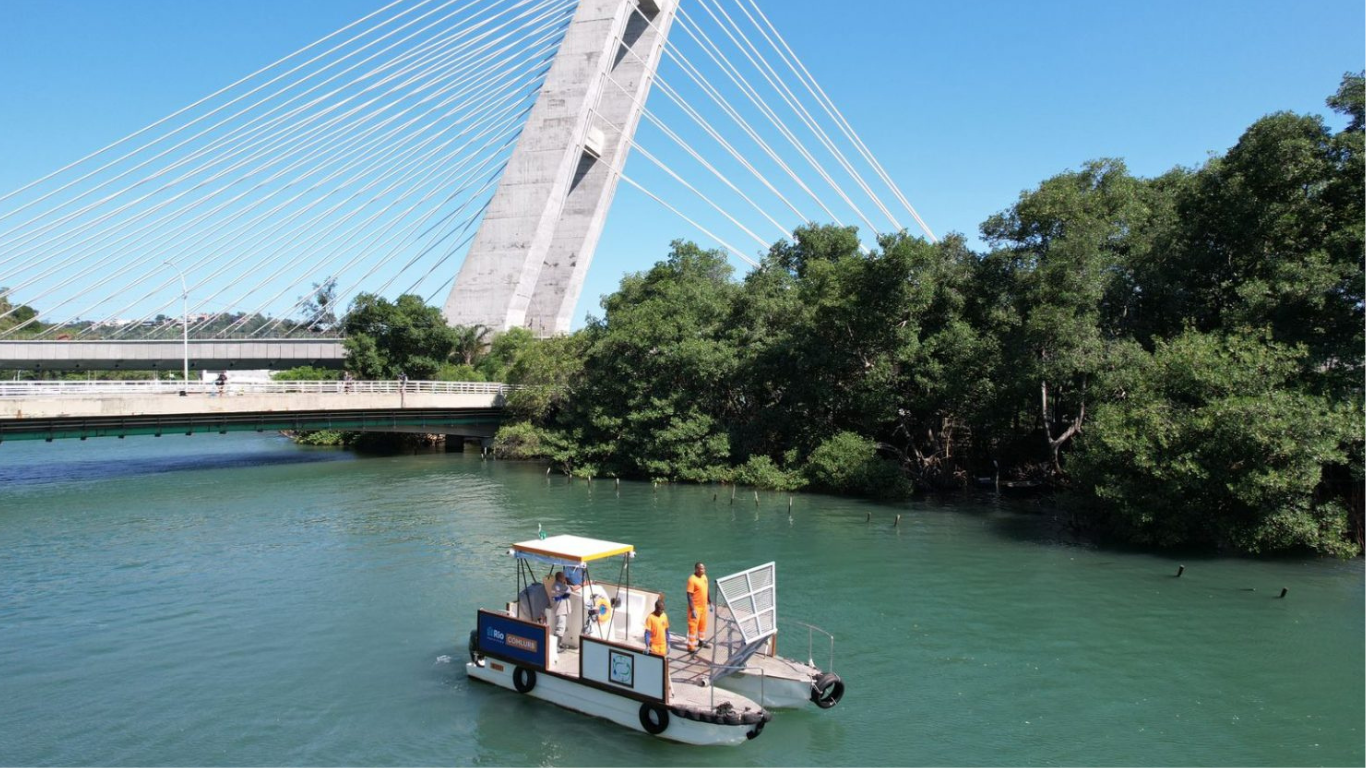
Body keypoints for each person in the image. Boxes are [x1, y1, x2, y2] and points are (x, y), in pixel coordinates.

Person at [686, 561, 712, 653]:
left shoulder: (704, 577)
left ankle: (701, 641)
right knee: (693, 628)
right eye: (701, 568)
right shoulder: (692, 579)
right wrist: (693, 609)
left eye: (704, 568)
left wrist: (710, 600)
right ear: (696, 569)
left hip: (704, 606)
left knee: (702, 626)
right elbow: (689, 595)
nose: (703, 570)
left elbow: (707, 589)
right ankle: (691, 647)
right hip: (695, 607)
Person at [547, 571, 573, 652]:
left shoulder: (556, 585)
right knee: (560, 628)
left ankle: (558, 644)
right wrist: (566, 583)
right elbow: (569, 592)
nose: (565, 578)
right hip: (560, 610)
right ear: (560, 578)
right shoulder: (559, 585)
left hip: (558, 610)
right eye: (563, 577)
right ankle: (556, 647)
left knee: (560, 627)